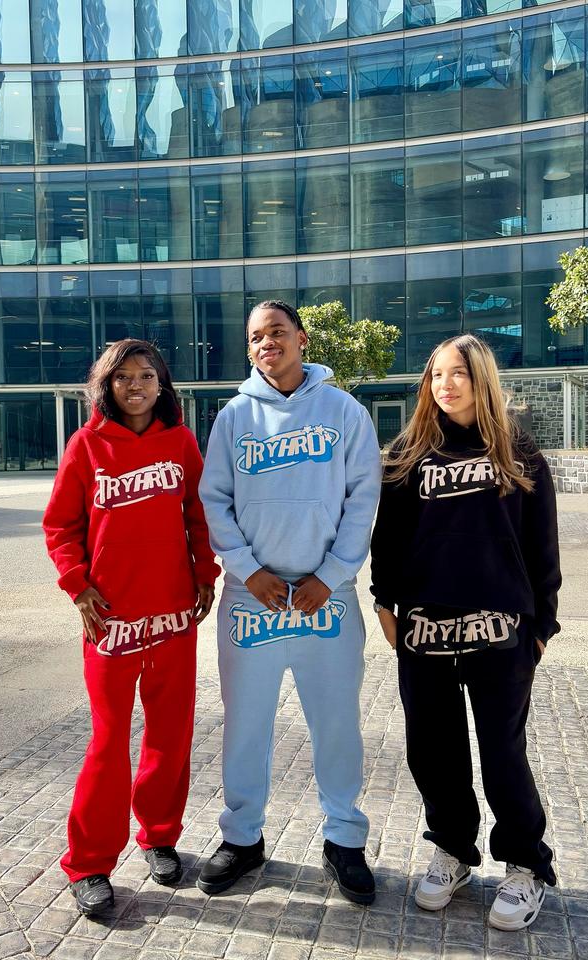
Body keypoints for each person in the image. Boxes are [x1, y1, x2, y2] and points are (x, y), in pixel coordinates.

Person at [370, 334, 560, 932]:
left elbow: (542, 543)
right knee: (433, 748)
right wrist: (383, 601)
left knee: (503, 751)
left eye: (459, 373)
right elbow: (388, 537)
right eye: (436, 375)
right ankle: (452, 849)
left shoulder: (518, 452)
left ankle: (526, 864)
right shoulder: (409, 454)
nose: (446, 385)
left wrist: (543, 624)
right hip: (425, 629)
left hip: (501, 628)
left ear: (482, 379)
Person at [198, 300, 381, 904]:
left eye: (277, 332)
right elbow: (214, 500)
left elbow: (362, 499)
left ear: (302, 339)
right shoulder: (233, 417)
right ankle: (242, 837)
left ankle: (344, 838)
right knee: (245, 724)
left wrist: (332, 574)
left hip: (326, 600)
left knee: (337, 724)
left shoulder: (345, 411)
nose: (266, 343)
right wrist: (247, 571)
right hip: (252, 601)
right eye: (256, 337)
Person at [43, 339, 219, 916]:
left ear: (162, 383)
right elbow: (61, 524)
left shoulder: (181, 441)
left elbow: (198, 516)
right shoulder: (86, 444)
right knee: (108, 739)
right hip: (110, 620)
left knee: (170, 732)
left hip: (172, 614)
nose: (136, 385)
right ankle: (89, 862)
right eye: (124, 377)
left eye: (147, 375)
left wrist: (204, 574)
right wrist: (77, 585)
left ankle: (160, 835)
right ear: (107, 385)